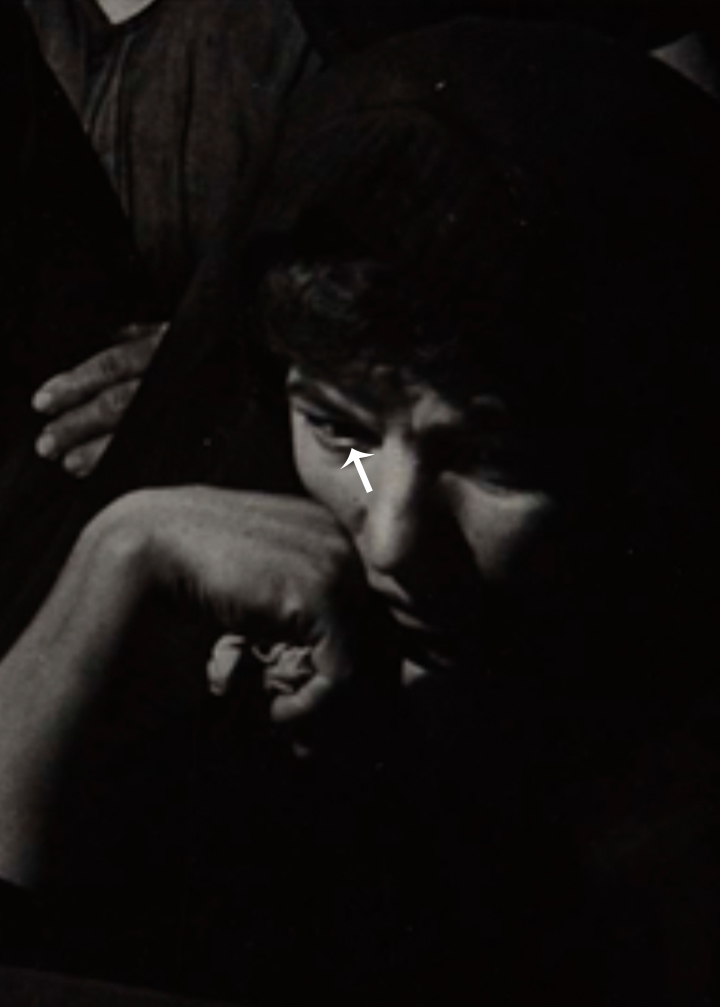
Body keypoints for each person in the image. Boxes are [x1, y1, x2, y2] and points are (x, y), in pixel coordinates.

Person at [2, 15, 720, 1006]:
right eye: (341, 433)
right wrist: (118, 554)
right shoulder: (240, 645)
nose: (392, 537)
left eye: (497, 461)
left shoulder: (670, 841)